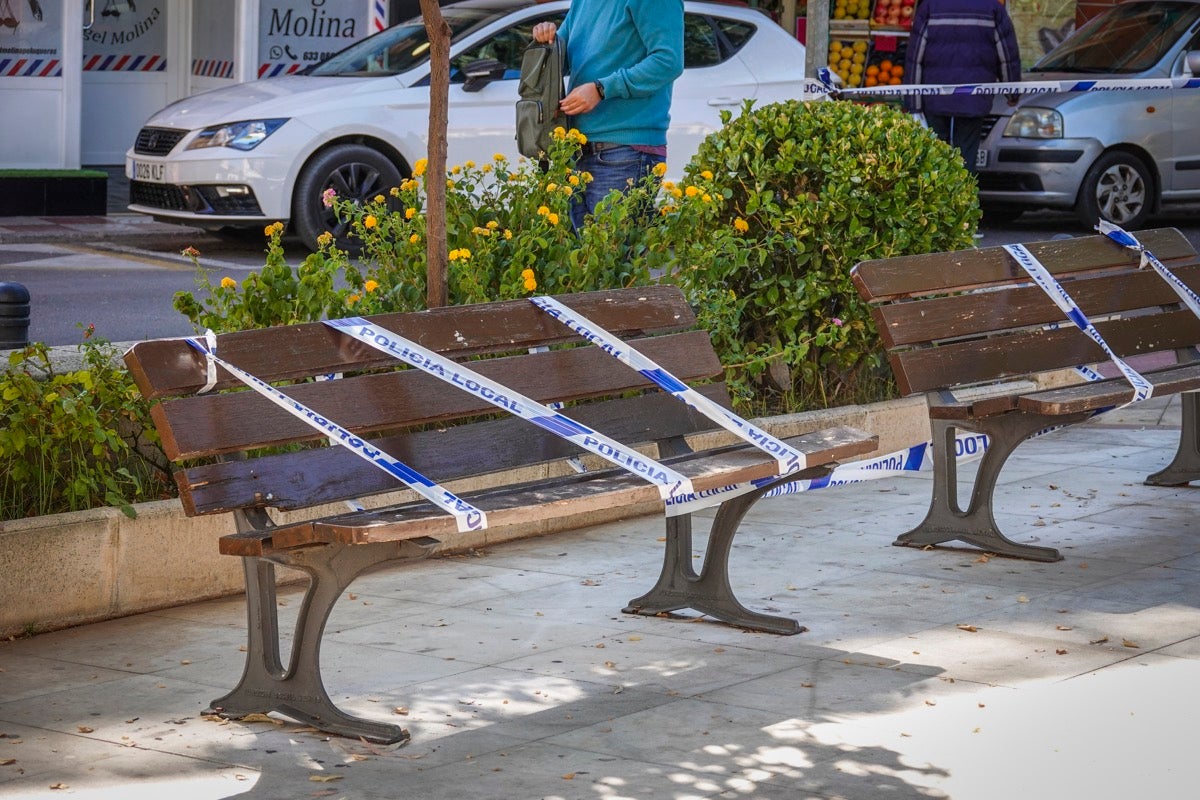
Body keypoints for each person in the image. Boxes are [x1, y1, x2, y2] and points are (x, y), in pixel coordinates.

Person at [532, 1, 684, 229]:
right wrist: (545, 37)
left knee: (611, 259)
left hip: (625, 152)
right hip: (579, 150)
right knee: (585, 261)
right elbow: (559, 59)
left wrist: (602, 89)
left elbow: (668, 61)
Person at [903, 0, 1021, 173]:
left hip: (935, 97)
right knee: (966, 158)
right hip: (972, 97)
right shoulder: (992, 8)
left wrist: (913, 103)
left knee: (934, 158)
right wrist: (1012, 92)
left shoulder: (930, 7)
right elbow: (1007, 55)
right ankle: (965, 196)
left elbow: (915, 58)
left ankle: (936, 197)